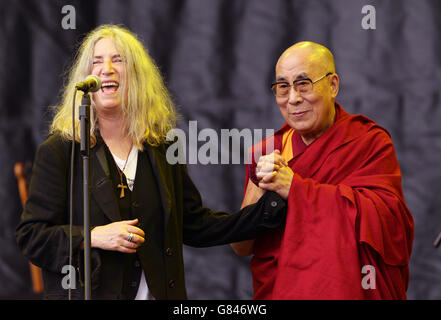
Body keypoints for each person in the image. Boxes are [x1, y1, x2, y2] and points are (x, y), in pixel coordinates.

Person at [15, 24, 287, 300]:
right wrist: (93, 236)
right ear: (86, 78)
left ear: (137, 76)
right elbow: (32, 236)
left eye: (118, 59)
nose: (106, 68)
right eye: (96, 62)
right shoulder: (61, 150)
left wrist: (271, 205)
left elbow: (195, 224)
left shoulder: (161, 147)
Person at [231, 41, 414, 299]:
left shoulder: (369, 142)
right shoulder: (268, 151)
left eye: (303, 84)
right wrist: (261, 188)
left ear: (333, 85)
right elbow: (241, 246)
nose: (293, 98)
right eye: (283, 87)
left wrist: (294, 188)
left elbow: (391, 224)